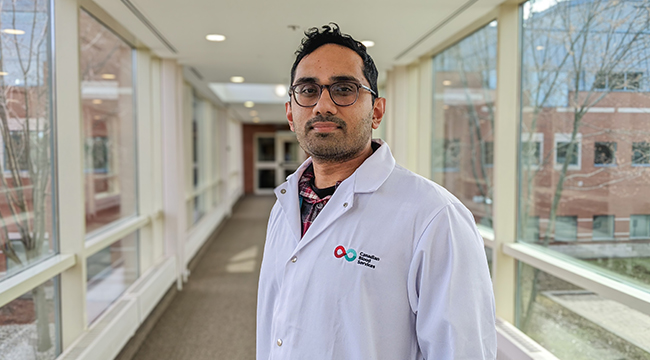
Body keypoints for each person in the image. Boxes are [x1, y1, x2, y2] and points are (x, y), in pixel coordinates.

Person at [256, 23, 496, 360]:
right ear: (291, 114)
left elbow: (461, 351)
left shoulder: (434, 216)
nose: (323, 104)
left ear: (377, 111)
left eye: (343, 89)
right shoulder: (283, 208)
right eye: (308, 90)